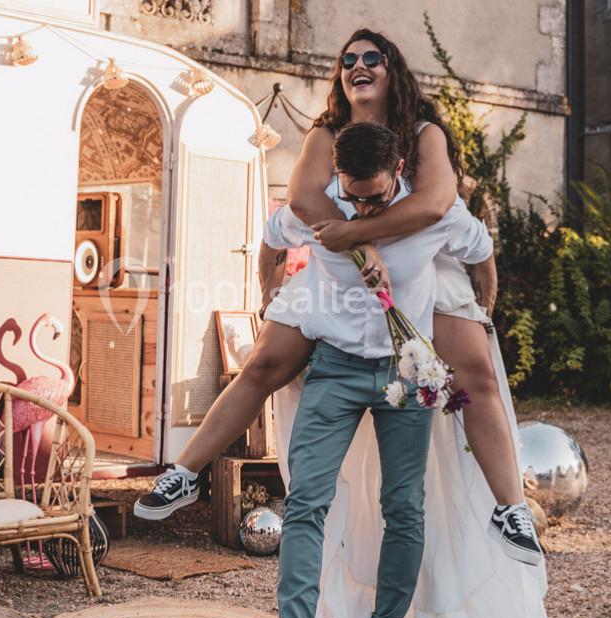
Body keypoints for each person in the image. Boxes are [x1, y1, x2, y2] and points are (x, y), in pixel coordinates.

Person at [134, 28, 541, 567]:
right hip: (337, 271)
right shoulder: (326, 133)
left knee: (476, 373)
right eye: (347, 59)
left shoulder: (423, 134)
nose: (358, 65)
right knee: (265, 363)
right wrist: (333, 256)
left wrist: (361, 235)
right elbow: (301, 201)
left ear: (393, 70)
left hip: (419, 263)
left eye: (372, 57)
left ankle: (509, 508)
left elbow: (437, 204)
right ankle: (185, 473)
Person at [242, 122, 493, 618]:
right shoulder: (320, 208)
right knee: (305, 501)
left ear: (399, 171)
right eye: (353, 197)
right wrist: (269, 294)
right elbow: (272, 238)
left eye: (374, 198)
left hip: (409, 372)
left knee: (404, 506)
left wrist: (485, 312)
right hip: (335, 369)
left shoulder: (433, 213)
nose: (362, 210)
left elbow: (482, 252)